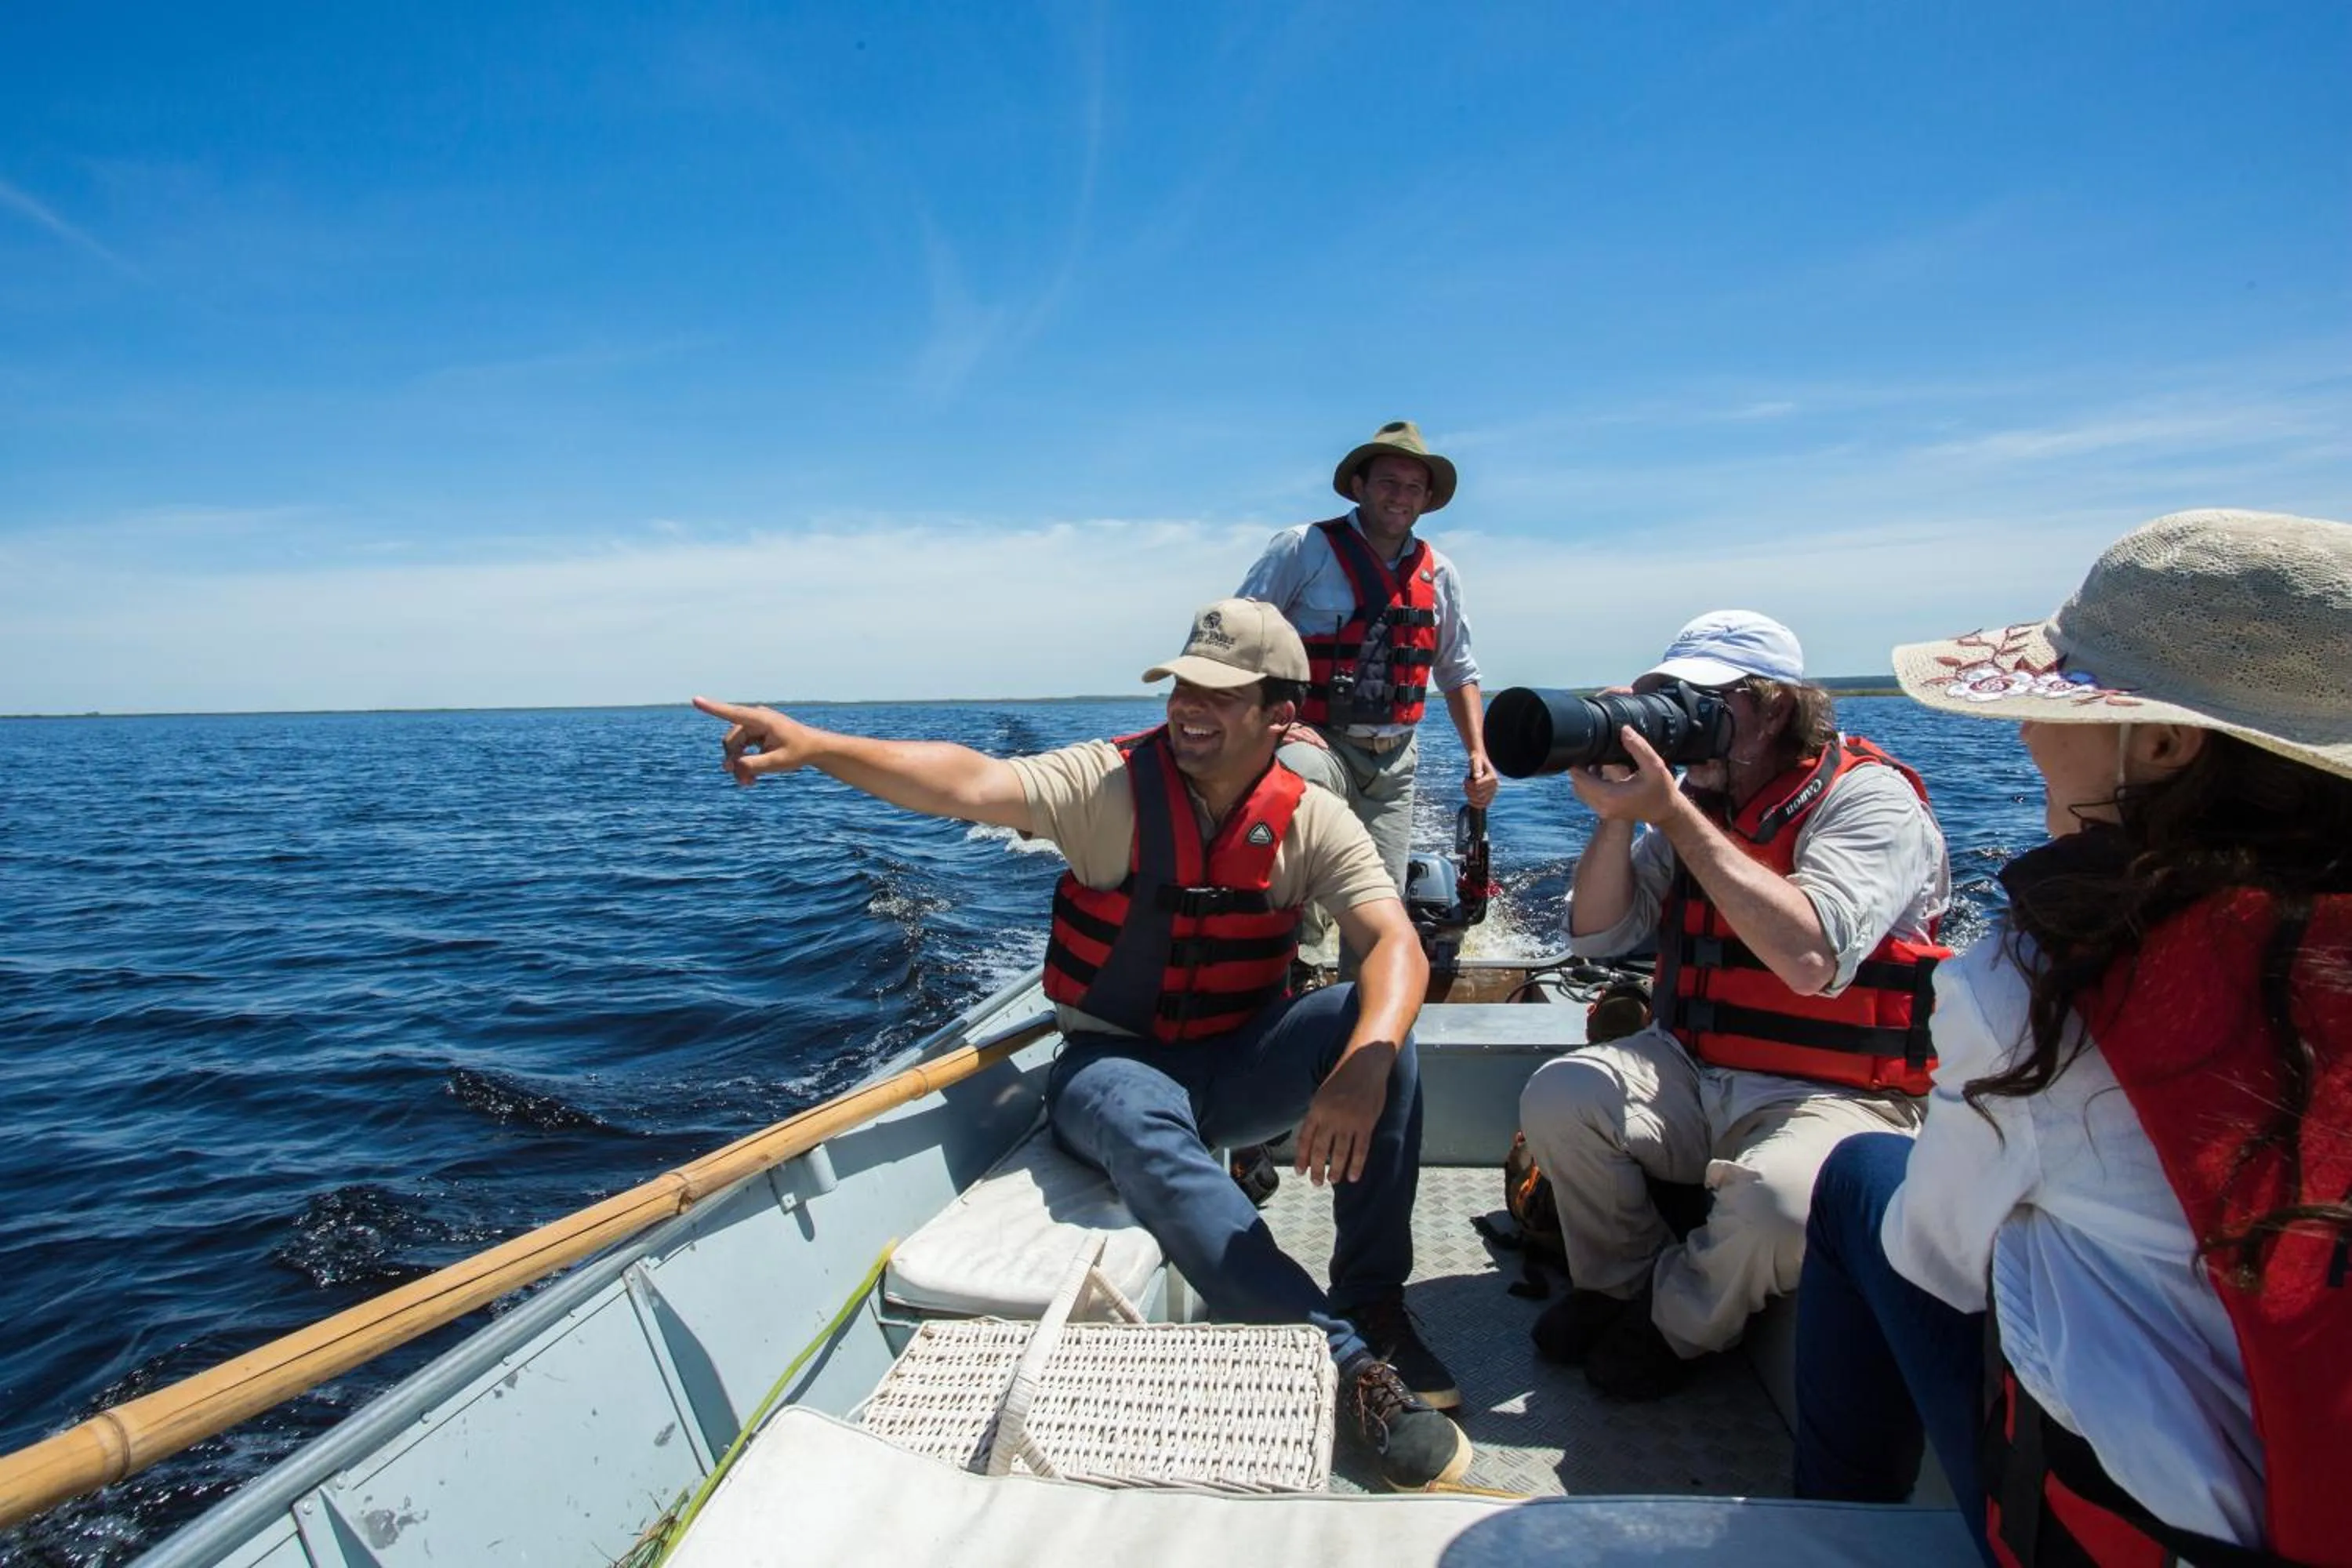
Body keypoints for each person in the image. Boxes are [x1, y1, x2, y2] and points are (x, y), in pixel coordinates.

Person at [692, 598, 1472, 1490]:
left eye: (1220, 695)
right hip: (1114, 1064)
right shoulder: (1106, 784)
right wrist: (818, 745)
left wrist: (1366, 1061)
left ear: (1279, 713)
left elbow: (1395, 943)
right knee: (1143, 1123)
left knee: (1378, 1033)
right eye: (1182, 686)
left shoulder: (1313, 818)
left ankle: (1374, 1301)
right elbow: (967, 782)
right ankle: (1346, 1363)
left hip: (1241, 1061)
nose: (1189, 706)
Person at [1791, 509, 2352, 1566]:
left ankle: (1826, 1527)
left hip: (2176, 1540)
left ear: (2164, 744)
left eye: (2060, 701)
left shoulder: (2037, 985)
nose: (2027, 734)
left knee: (1864, 1178)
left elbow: (1935, 1261)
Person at [1515, 611, 1952, 1399]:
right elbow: (1600, 933)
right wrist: (1618, 817)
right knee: (1561, 1094)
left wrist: (1672, 814)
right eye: (1670, 697)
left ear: (1775, 708)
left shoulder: (1870, 800)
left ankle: (1677, 1324)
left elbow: (1812, 960)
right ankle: (1617, 1286)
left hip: (1837, 1094)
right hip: (1696, 1063)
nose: (1684, 720)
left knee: (1779, 1203)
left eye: (1705, 701)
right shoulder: (1699, 803)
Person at [1237, 421, 1497, 923]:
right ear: (1359, 487)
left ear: (1426, 500)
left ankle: (1366, 970)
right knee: (1305, 854)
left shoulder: (1440, 572)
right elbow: (1239, 638)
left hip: (1395, 761)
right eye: (1388, 483)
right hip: (1314, 740)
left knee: (1380, 904)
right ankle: (1298, 949)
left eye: (1414, 487)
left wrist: (1477, 753)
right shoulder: (1302, 548)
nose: (1401, 497)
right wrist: (1270, 724)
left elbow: (1458, 670)